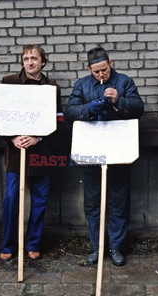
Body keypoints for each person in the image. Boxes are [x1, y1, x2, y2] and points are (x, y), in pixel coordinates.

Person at [64, 46, 144, 266]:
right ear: (89, 69)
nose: (101, 75)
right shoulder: (82, 85)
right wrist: (89, 109)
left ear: (111, 63)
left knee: (118, 200)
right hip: (91, 149)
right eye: (96, 72)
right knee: (93, 201)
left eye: (104, 70)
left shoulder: (124, 82)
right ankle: (97, 247)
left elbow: (138, 108)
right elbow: (70, 112)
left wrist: (119, 100)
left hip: (118, 149)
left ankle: (116, 247)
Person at [0, 44, 61, 261]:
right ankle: (8, 244)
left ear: (43, 62)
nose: (29, 62)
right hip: (16, 154)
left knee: (40, 200)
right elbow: (0, 116)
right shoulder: (9, 83)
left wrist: (38, 137)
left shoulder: (52, 87)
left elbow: (58, 121)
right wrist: (12, 138)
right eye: (26, 58)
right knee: (11, 198)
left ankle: (32, 243)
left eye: (34, 58)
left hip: (41, 153)